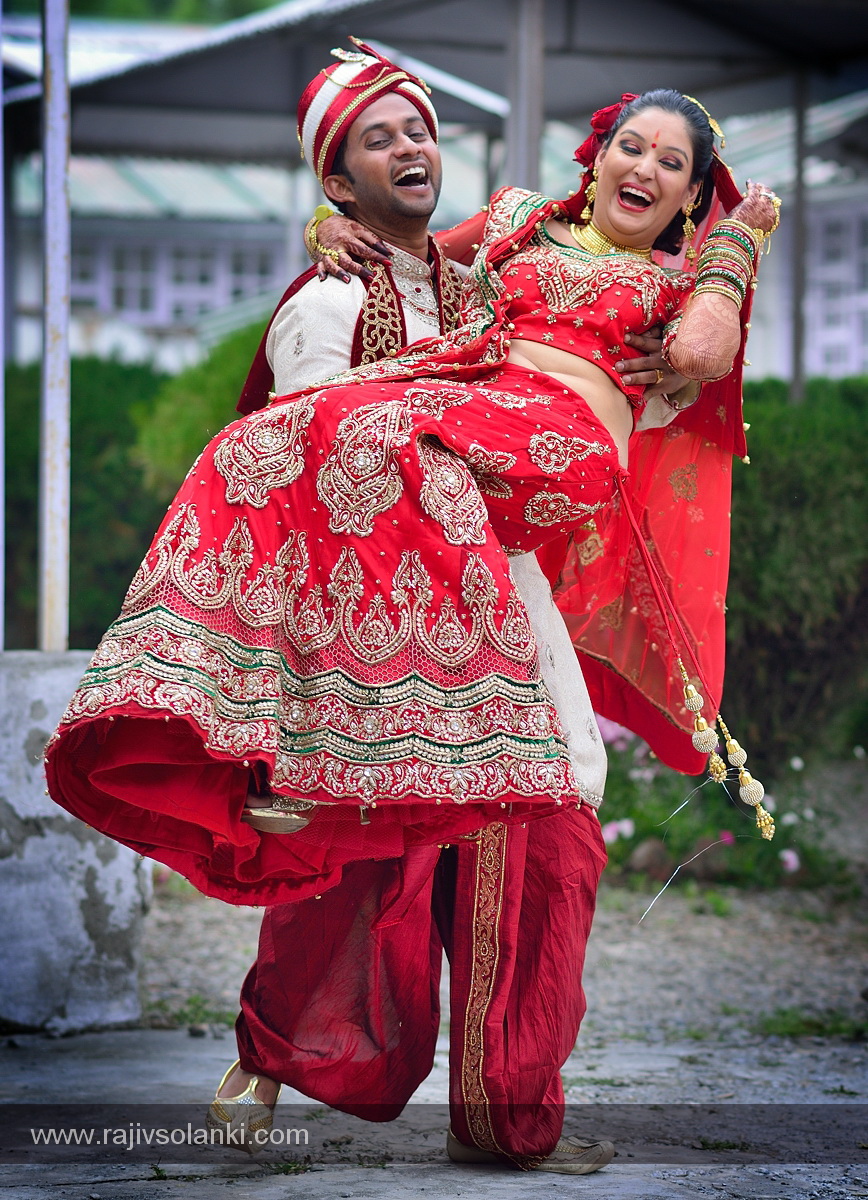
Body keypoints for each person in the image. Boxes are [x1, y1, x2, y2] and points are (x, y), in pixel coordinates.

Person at [45, 66, 779, 1169]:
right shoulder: (332, 301)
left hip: (494, 570)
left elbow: (676, 358)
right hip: (373, 617)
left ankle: (506, 1112)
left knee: (550, 812)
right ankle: (276, 1051)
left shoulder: (480, 270)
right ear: (338, 183)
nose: (414, 150)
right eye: (381, 139)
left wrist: (725, 262)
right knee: (367, 837)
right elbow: (308, 486)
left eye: (420, 131)